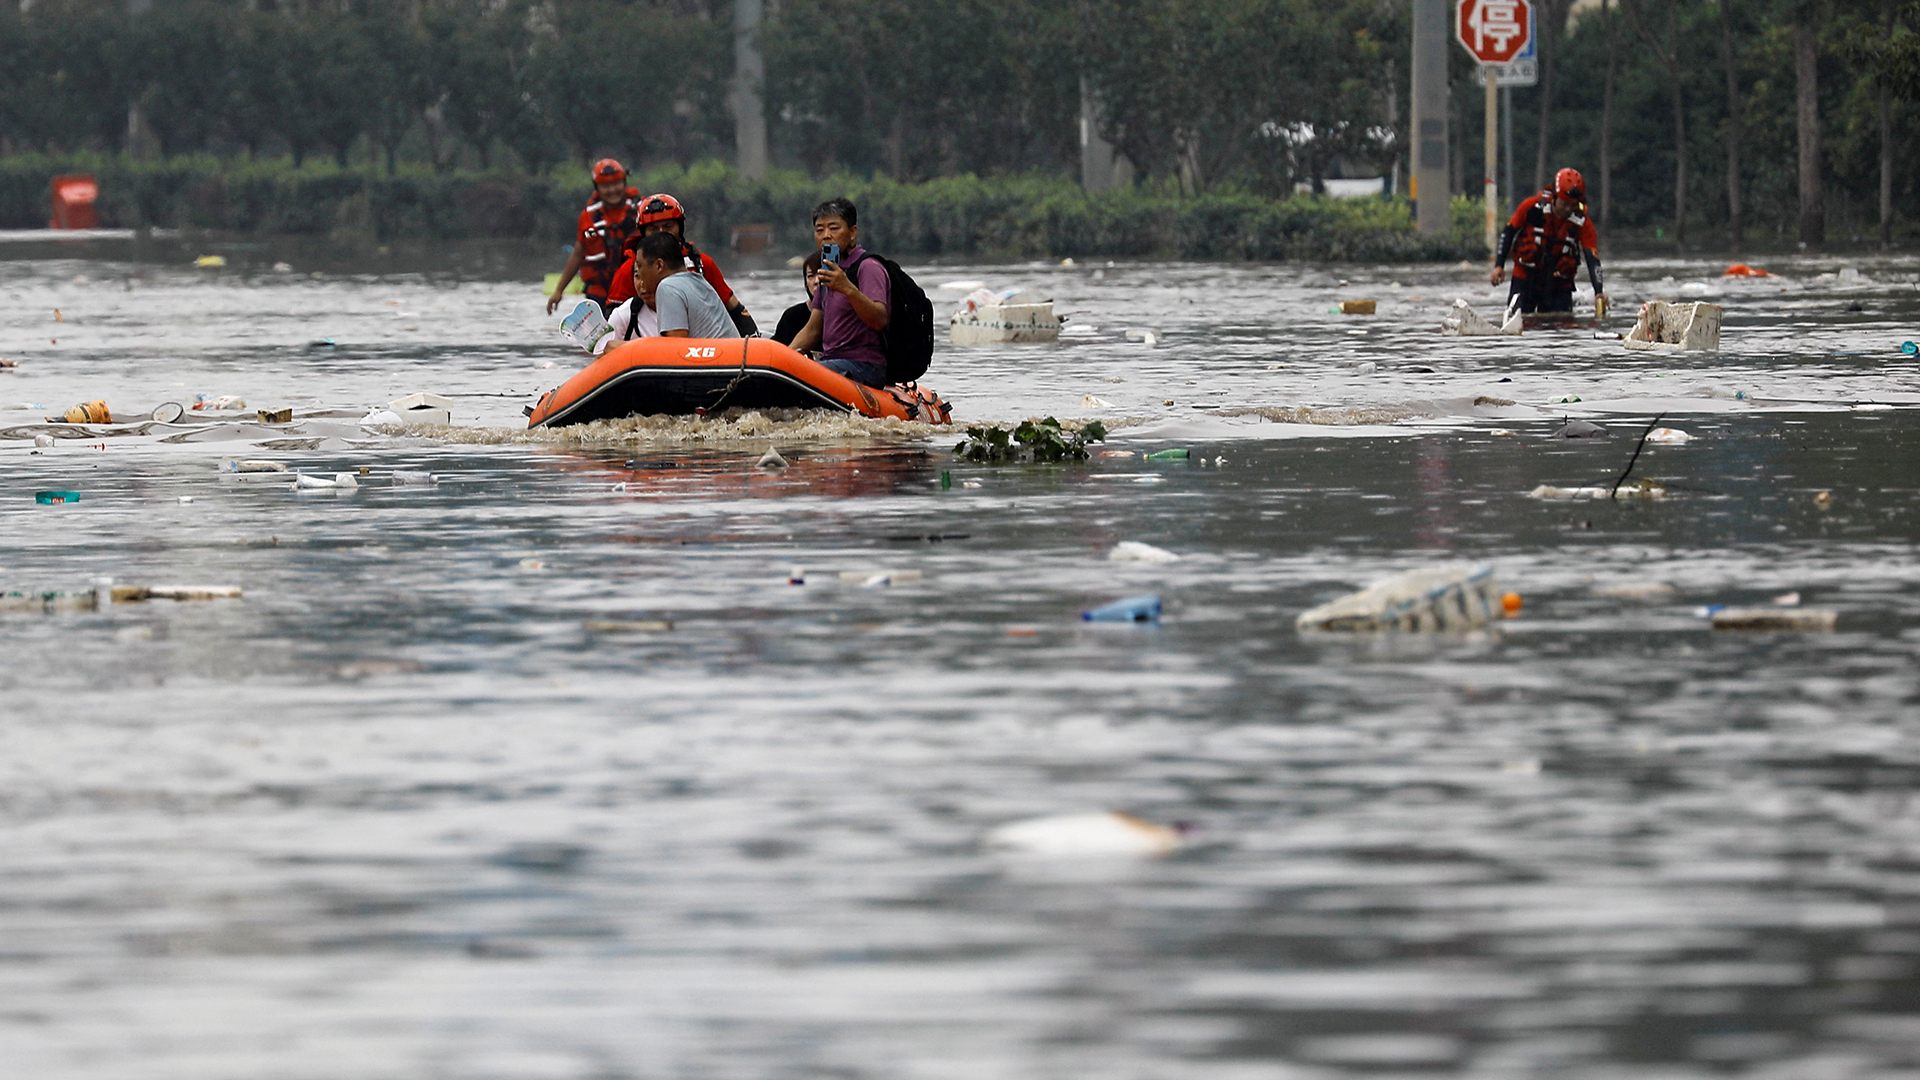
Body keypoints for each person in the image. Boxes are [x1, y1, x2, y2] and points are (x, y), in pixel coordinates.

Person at [603, 193, 759, 336]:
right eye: (653, 229)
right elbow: (614, 319)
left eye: (668, 226)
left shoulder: (702, 263)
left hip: (701, 341)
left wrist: (754, 341)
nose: (661, 233)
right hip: (649, 337)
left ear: (680, 228)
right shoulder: (629, 270)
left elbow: (733, 307)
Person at [788, 197, 890, 388]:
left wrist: (847, 287)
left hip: (865, 365)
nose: (826, 235)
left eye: (834, 228)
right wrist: (783, 359)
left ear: (852, 233)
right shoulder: (828, 271)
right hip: (833, 361)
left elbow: (879, 319)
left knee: (807, 374)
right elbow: (812, 329)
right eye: (820, 230)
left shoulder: (868, 267)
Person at [1491, 167, 1609, 318]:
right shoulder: (1531, 208)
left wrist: (1599, 292)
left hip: (1559, 285)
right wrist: (1499, 266)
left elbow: (1593, 259)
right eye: (1564, 203)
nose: (1568, 209)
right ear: (1554, 197)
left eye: (1573, 205)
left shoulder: (1583, 223)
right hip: (1525, 278)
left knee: (1561, 324)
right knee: (1519, 318)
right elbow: (1508, 233)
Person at [547, 159, 642, 315]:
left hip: (636, 292)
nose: (612, 190)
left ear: (624, 183)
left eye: (616, 183)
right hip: (600, 295)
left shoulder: (642, 210)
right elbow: (578, 254)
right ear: (597, 188)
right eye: (605, 186)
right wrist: (559, 291)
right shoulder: (588, 217)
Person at [633, 230, 739, 339]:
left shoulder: (668, 287)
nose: (639, 274)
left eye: (640, 266)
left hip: (719, 355)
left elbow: (676, 348)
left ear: (659, 265)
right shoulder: (699, 280)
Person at [771, 251, 822, 347]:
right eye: (811, 276)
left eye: (821, 274)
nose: (816, 281)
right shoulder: (792, 316)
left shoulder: (845, 315)